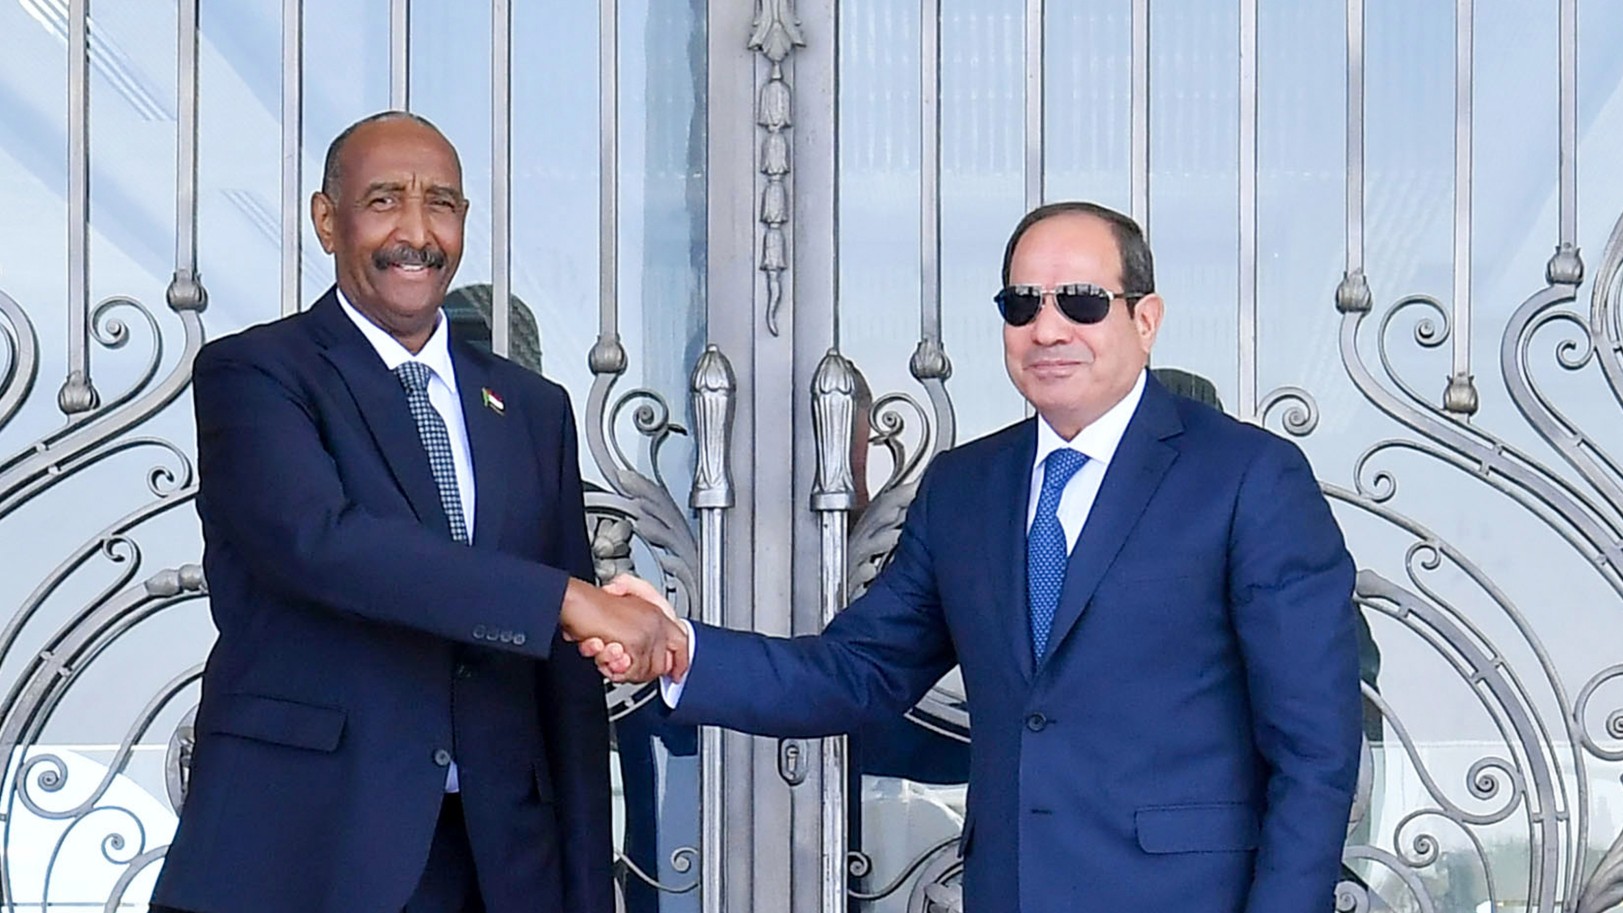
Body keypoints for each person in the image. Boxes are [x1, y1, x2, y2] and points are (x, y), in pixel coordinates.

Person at [594, 201, 1363, 911]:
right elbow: (856, 670)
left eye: (1082, 301)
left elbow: (1314, 749)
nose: (1048, 327)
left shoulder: (1246, 476)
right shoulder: (965, 487)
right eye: (1021, 304)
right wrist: (676, 647)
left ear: (1146, 318)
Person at [150, 111, 684, 913]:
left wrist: (584, 886)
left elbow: (565, 687)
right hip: (305, 850)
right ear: (326, 220)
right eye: (384, 201)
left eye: (440, 203)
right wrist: (567, 599)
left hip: (500, 862)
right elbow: (324, 544)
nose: (416, 231)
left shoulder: (532, 407)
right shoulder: (256, 373)